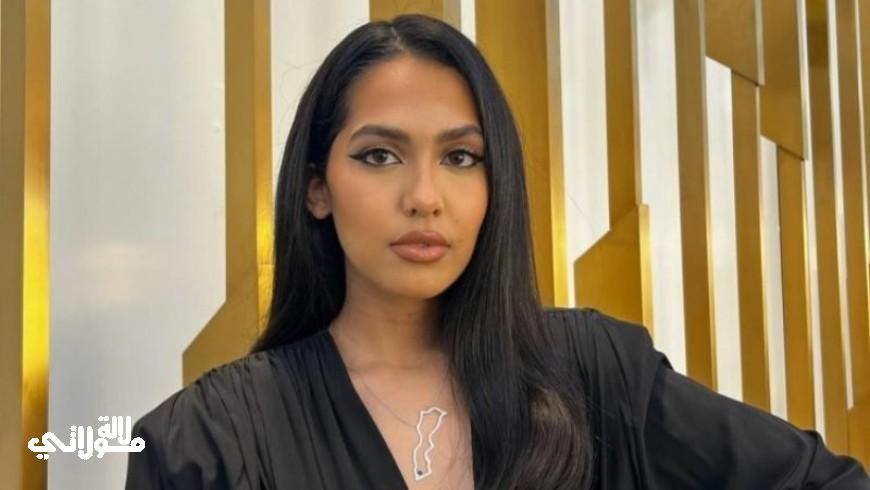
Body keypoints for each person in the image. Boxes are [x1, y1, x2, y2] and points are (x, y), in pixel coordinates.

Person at [125, 13, 869, 489]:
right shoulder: (209, 441)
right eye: (380, 155)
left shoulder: (594, 375)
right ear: (317, 188)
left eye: (461, 157)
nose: (425, 196)